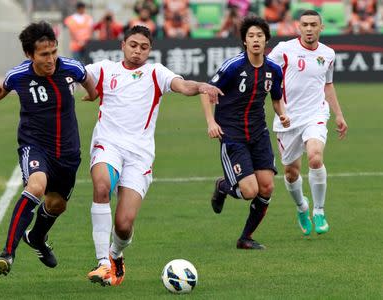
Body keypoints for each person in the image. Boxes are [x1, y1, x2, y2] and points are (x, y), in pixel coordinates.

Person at [83, 25, 223, 286]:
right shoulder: (104, 69)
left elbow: (181, 85)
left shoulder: (155, 73)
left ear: (150, 50)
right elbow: (76, 74)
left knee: (124, 225)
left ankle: (115, 254)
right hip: (107, 145)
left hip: (139, 156)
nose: (137, 51)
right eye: (133, 45)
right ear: (122, 45)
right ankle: (103, 262)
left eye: (144, 47)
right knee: (101, 186)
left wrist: (201, 86)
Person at [0, 21, 97, 276]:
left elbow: (89, 80)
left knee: (56, 205)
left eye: (54, 51)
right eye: (44, 54)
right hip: (34, 146)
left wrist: (92, 93)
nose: (51, 58)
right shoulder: (19, 75)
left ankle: (36, 238)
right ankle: (7, 253)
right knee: (36, 186)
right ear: (29, 55)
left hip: (67, 153)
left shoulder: (71, 68)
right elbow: (2, 90)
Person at [201, 16, 290, 250]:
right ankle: (223, 186)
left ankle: (246, 238)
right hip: (232, 135)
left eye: (260, 35)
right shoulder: (234, 66)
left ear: (266, 40)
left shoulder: (273, 70)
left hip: (259, 133)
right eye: (251, 36)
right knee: (250, 191)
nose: (256, 40)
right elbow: (206, 91)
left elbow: (276, 99)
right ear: (244, 42)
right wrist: (211, 122)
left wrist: (282, 114)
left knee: (267, 187)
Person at [268, 10, 348, 236]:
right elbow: (262, 68)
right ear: (298, 27)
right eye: (305, 24)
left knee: (315, 156)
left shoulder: (328, 54)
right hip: (288, 119)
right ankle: (302, 207)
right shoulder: (284, 50)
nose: (309, 28)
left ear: (321, 27)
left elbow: (328, 85)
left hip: (316, 113)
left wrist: (339, 114)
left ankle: (319, 210)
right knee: (291, 172)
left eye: (314, 24)